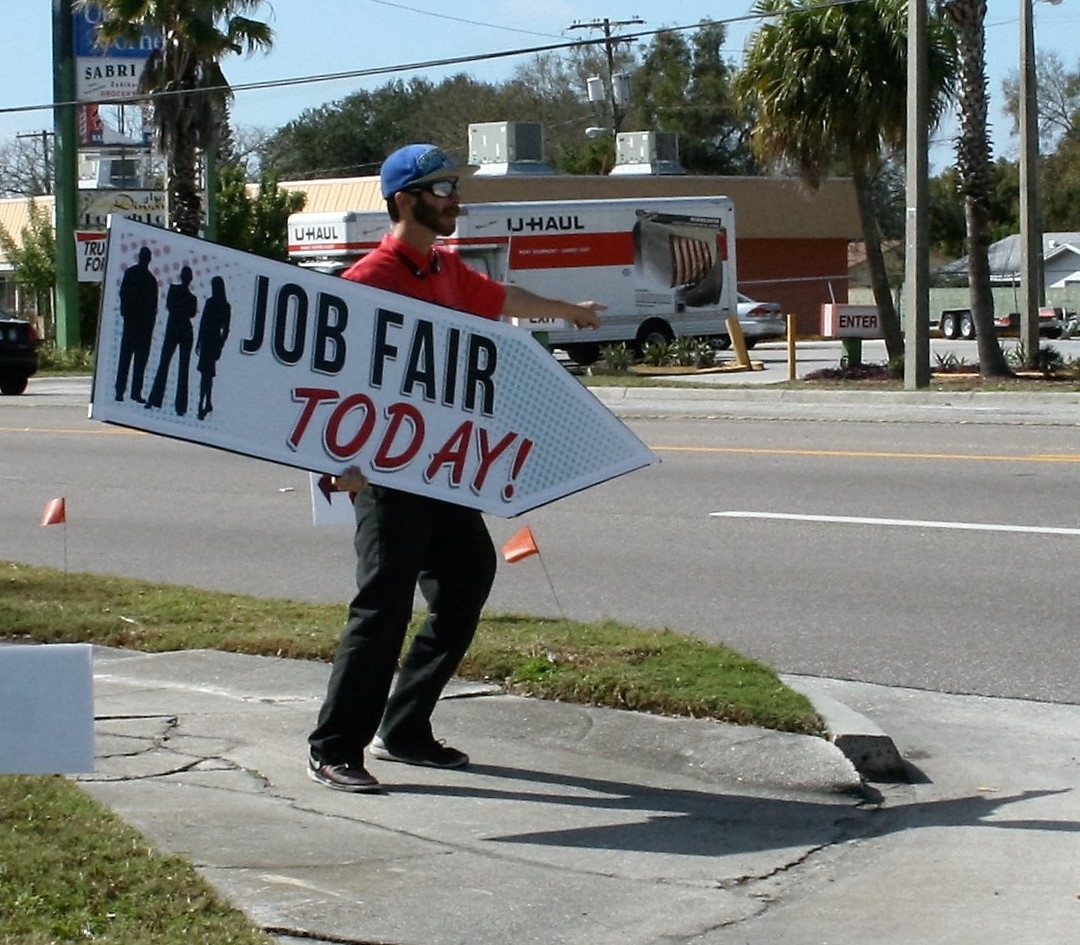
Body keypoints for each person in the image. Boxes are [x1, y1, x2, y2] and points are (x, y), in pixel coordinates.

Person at [307, 143, 603, 793]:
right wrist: (333, 467)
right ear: (404, 200)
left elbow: (502, 297)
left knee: (467, 578)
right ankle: (333, 747)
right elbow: (331, 379)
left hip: (443, 469)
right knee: (382, 608)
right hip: (386, 475)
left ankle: (404, 727)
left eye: (453, 187)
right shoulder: (368, 280)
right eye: (441, 189)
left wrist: (569, 310)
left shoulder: (445, 268)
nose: (454, 199)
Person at [146, 265, 197, 416]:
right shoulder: (178, 292)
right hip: (176, 329)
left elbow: (190, 312)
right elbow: (176, 308)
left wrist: (180, 310)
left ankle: (179, 406)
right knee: (166, 364)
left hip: (181, 330)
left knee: (180, 367)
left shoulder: (187, 296)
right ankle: (157, 400)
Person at [114, 246, 159, 403]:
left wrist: (126, 313)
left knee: (130, 359)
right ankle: (130, 392)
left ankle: (124, 391)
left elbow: (124, 294)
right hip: (139, 325)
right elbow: (152, 305)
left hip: (136, 324)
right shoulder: (149, 279)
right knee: (135, 360)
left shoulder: (136, 275)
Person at [195, 276, 231, 420]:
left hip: (210, 340)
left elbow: (205, 323)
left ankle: (203, 403)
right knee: (207, 374)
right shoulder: (224, 305)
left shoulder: (213, 303)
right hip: (212, 340)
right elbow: (225, 329)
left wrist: (218, 343)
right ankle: (206, 402)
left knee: (206, 374)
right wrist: (220, 343)